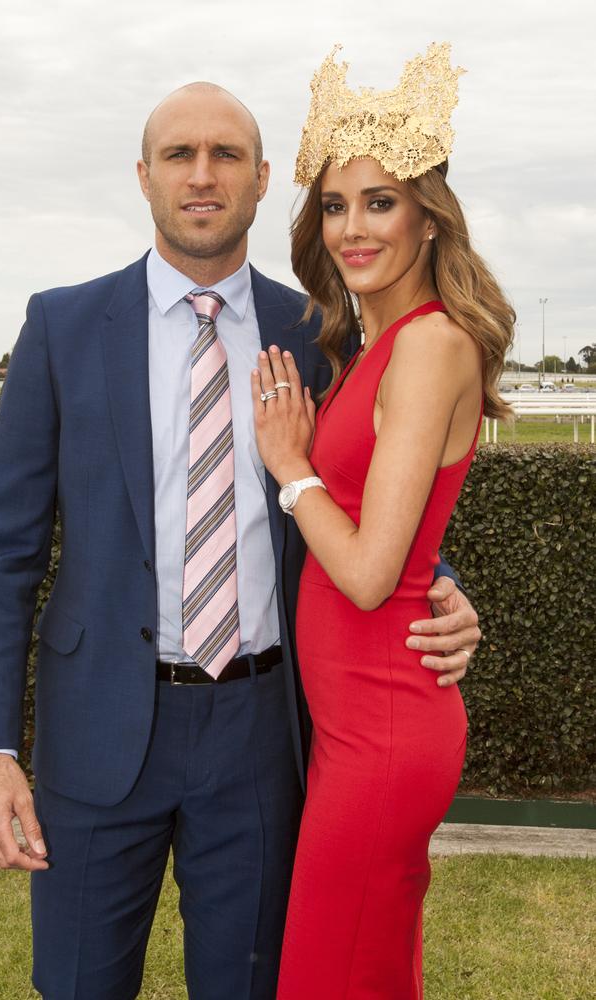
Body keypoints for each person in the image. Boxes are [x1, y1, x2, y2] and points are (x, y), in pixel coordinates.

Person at [0, 79, 481, 1000]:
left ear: (262, 176)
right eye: (179, 155)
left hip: (261, 734)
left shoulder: (318, 332)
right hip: (96, 733)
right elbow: (1, 555)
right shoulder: (63, 326)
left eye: (227, 155)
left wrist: (439, 583)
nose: (203, 176)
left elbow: (376, 483)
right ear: (145, 177)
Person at [251, 44, 514, 999]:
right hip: (357, 721)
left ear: (428, 214)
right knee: (365, 970)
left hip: (386, 728)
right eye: (333, 206)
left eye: (379, 201)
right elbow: (409, 537)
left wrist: (291, 468)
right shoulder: (367, 347)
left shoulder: (434, 343)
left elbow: (367, 572)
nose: (353, 229)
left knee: (327, 974)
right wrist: (449, 588)